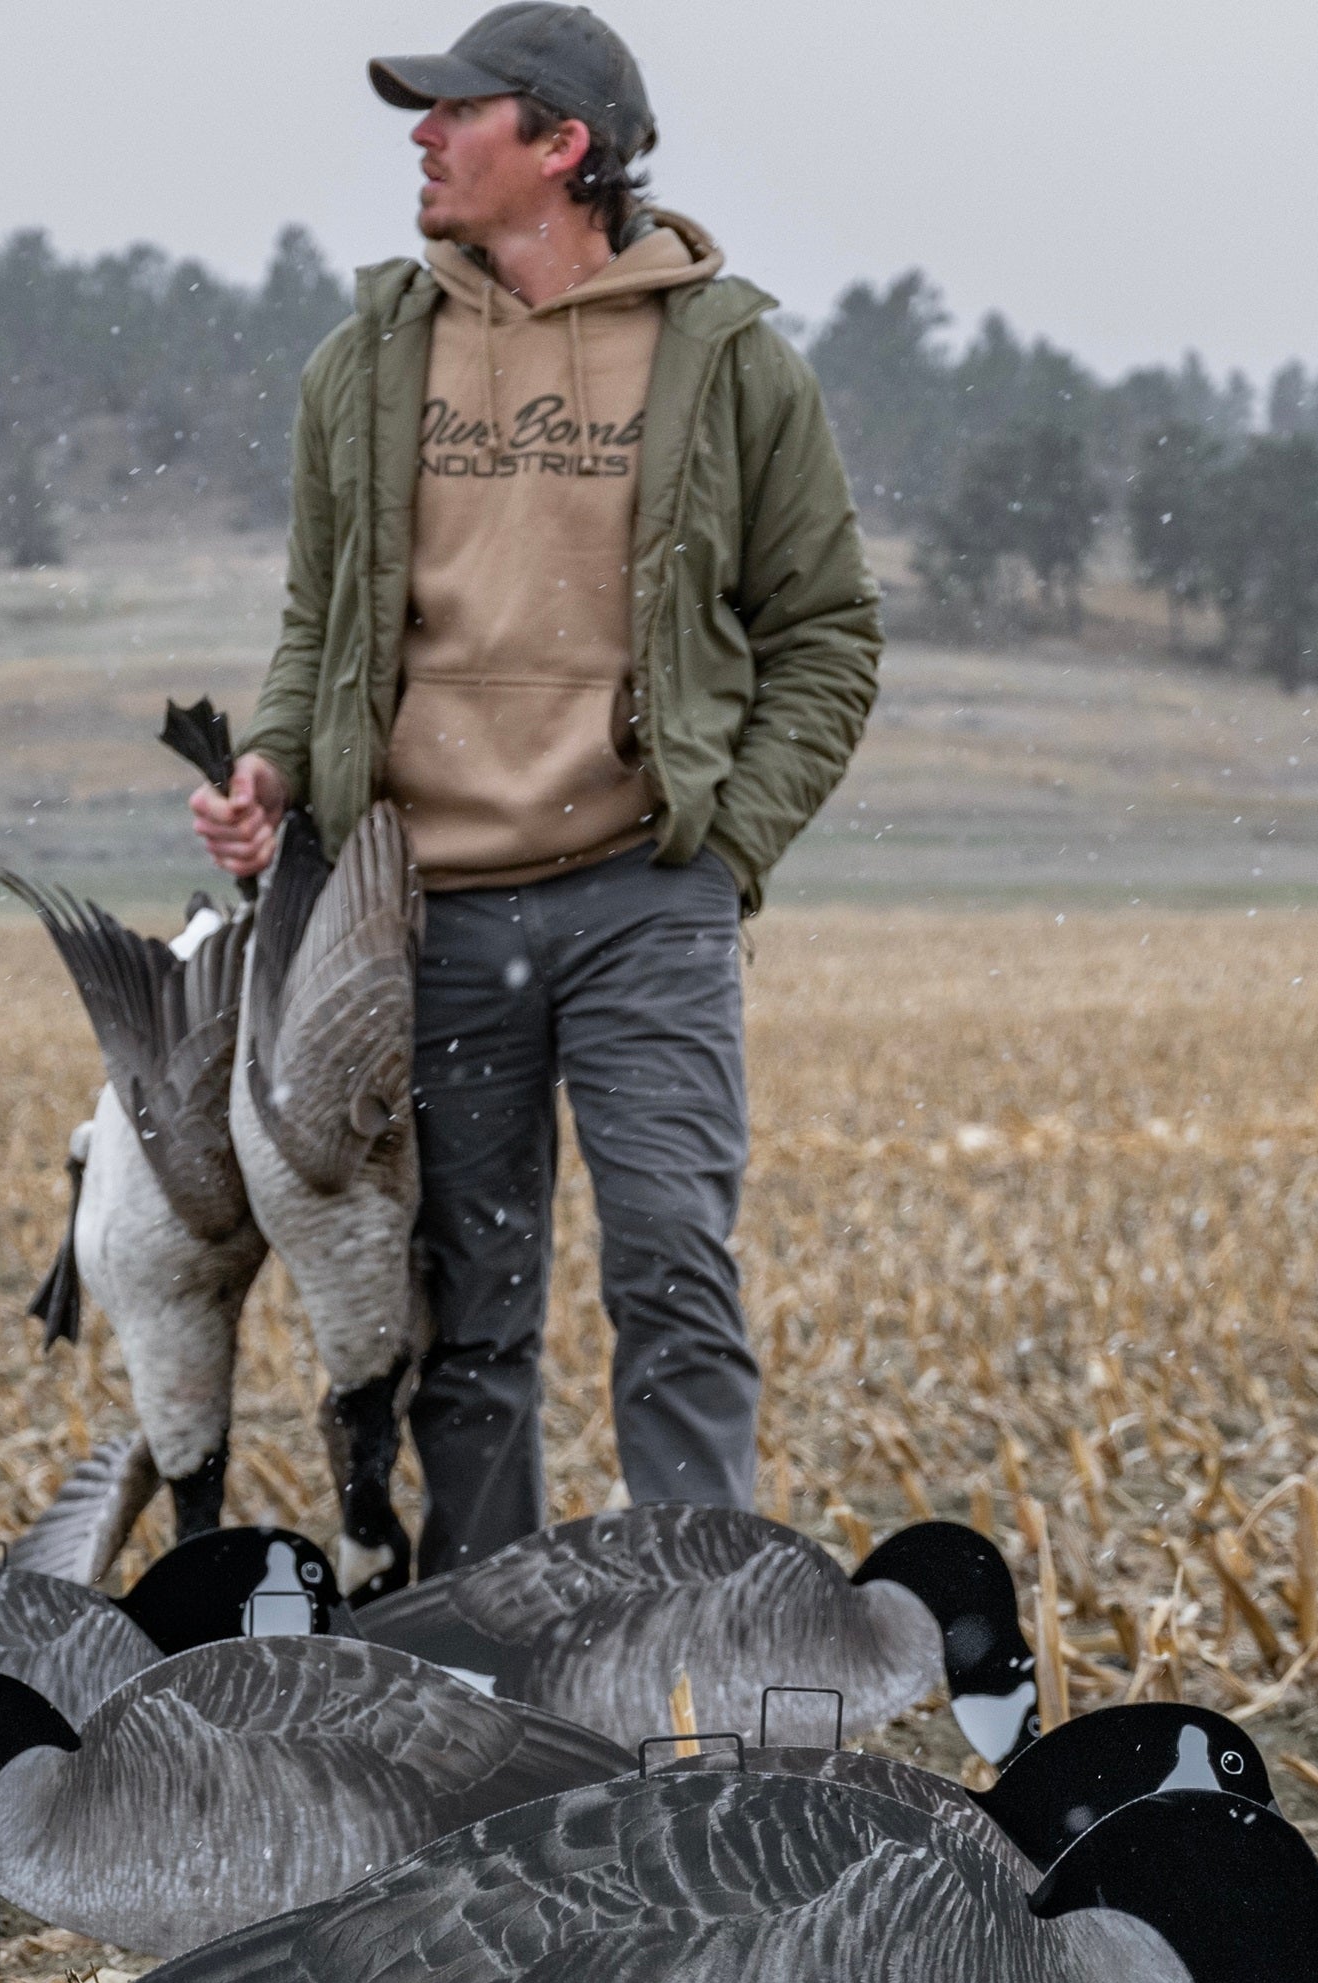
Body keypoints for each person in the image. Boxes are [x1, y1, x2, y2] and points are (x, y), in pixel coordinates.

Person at [192, 4, 879, 1571]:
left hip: (647, 899)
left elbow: (827, 630)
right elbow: (323, 626)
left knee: (672, 1278)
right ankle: (495, 1675)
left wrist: (729, 847)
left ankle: (700, 1641)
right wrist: (275, 768)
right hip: (428, 911)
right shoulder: (364, 363)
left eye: (457, 114)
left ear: (563, 148)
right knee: (467, 1322)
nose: (421, 139)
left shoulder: (733, 364)